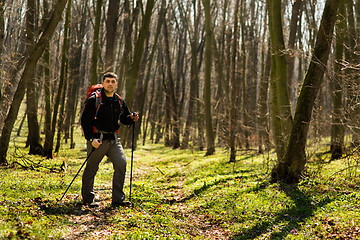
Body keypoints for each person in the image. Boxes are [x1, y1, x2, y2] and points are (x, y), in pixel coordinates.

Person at [81, 72, 139, 207]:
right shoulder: (94, 99)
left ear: (116, 84)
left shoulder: (119, 101)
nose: (110, 84)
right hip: (98, 140)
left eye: (113, 81)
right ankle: (88, 199)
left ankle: (118, 199)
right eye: (108, 81)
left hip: (114, 140)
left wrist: (131, 118)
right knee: (91, 168)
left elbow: (124, 119)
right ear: (103, 83)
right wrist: (91, 139)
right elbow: (85, 121)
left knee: (121, 164)